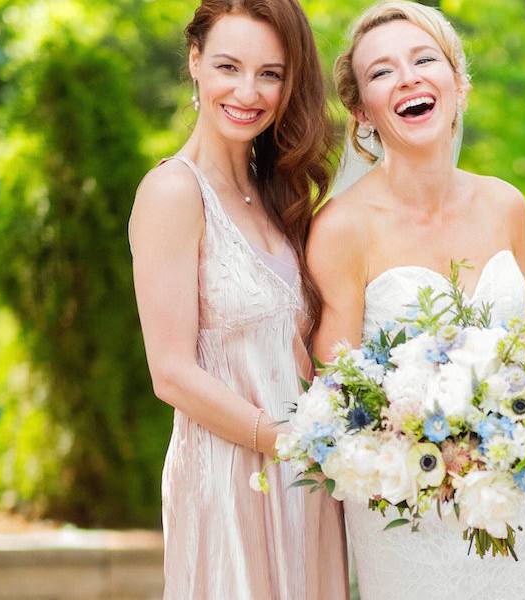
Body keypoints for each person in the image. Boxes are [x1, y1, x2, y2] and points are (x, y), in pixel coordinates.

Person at [308, 2, 525, 599]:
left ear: (457, 83)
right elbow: (337, 396)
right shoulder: (341, 228)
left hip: (524, 510)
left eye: (424, 59)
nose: (408, 77)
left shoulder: (505, 205)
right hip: (411, 521)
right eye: (382, 72)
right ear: (362, 111)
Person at [128, 1, 347, 597]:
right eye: (229, 66)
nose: (248, 91)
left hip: (305, 479)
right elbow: (170, 373)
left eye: (270, 74)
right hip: (228, 476)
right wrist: (287, 442)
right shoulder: (173, 192)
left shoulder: (280, 194)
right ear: (195, 60)